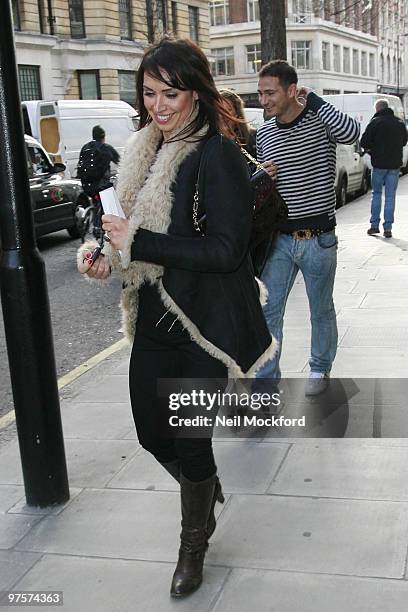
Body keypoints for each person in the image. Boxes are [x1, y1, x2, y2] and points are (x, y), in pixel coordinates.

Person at [77, 38, 276, 598]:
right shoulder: (141, 149)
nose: (159, 105)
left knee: (190, 438)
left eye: (172, 92)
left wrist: (140, 241)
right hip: (152, 319)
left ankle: (194, 542)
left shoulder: (218, 155)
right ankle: (203, 487)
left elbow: (226, 251)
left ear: (196, 93)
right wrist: (106, 253)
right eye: (149, 92)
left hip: (204, 323)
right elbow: (125, 233)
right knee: (149, 432)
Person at [255, 60, 360, 396]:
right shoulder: (265, 132)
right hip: (281, 239)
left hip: (319, 239)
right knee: (269, 311)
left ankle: (319, 368)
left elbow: (352, 133)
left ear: (290, 90)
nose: (264, 100)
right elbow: (259, 185)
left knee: (321, 310)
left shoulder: (319, 119)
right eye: (260, 93)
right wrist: (261, 177)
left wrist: (313, 99)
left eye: (270, 93)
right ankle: (267, 381)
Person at [361, 99, 407, 238]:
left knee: (376, 194)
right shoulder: (399, 123)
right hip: (394, 165)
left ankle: (374, 226)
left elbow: (364, 142)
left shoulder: (375, 122)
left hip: (379, 164)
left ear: (377, 109)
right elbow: (404, 141)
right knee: (390, 197)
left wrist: (373, 149)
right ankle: (388, 228)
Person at [77, 125, 120, 237]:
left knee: (97, 200)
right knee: (110, 198)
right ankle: (101, 226)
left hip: (86, 186)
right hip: (101, 186)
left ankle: (92, 218)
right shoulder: (106, 148)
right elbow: (120, 161)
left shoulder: (85, 147)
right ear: (103, 137)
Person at [219, 89, 257, 157]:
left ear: (237, 113)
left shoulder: (253, 136)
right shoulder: (209, 141)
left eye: (228, 110)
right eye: (220, 109)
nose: (223, 115)